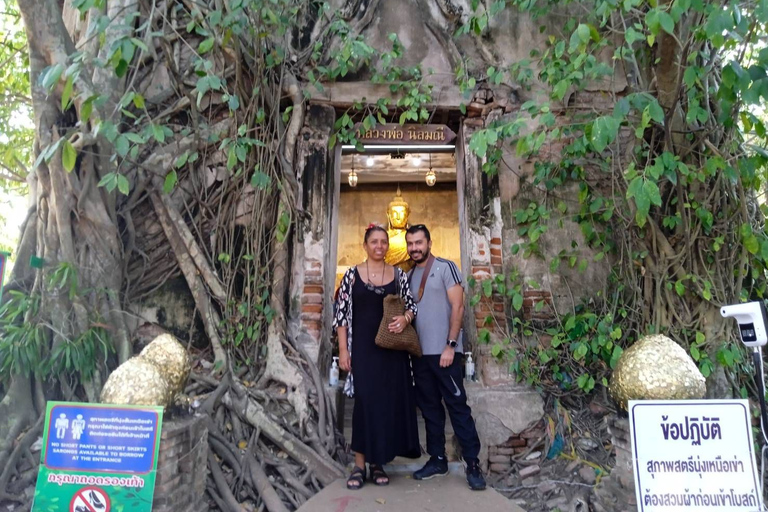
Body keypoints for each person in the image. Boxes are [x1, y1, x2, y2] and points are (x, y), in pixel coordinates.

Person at [333, 224, 421, 490]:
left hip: (391, 353)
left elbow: (412, 305)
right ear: (365, 245)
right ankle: (359, 464)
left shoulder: (398, 275)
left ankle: (378, 463)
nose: (380, 246)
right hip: (363, 351)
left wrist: (405, 319)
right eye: (374, 242)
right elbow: (341, 316)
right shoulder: (351, 276)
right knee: (364, 404)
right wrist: (344, 351)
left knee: (385, 406)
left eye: (384, 242)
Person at [405, 224, 487, 491]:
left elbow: (458, 306)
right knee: (430, 410)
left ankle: (473, 464)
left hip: (445, 354)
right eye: (411, 243)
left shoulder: (445, 267)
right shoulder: (408, 276)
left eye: (419, 242)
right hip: (420, 356)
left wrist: (451, 345)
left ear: (429, 242)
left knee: (457, 407)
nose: (415, 248)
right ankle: (437, 459)